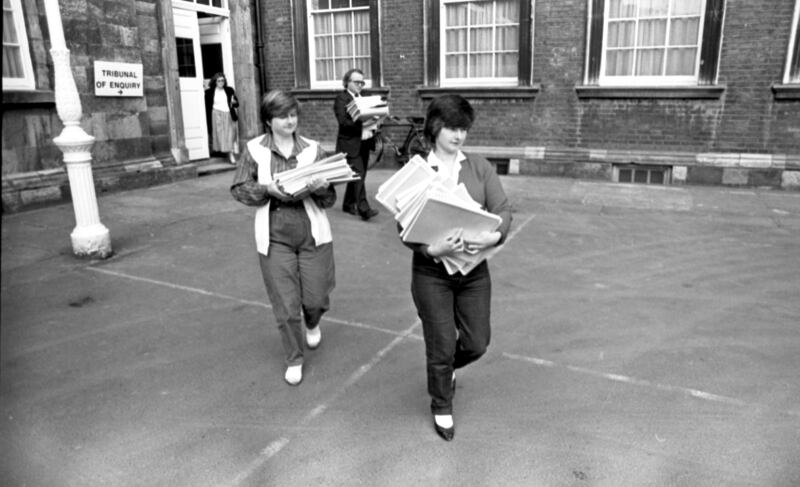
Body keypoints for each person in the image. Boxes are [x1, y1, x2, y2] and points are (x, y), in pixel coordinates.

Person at [400, 95, 512, 441]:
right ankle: (441, 405)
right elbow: (404, 227)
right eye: (452, 127)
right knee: (441, 343)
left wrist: (491, 238)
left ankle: (445, 369)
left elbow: (504, 211)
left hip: (473, 269)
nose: (459, 134)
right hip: (432, 272)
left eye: (464, 127)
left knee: (478, 343)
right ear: (435, 127)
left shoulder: (479, 166)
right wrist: (431, 248)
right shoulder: (417, 171)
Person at [230, 90, 336, 386]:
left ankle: (313, 322)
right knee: (286, 305)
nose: (291, 120)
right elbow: (239, 188)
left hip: (311, 230)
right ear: (269, 120)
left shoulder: (313, 149)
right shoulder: (254, 150)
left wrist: (319, 188)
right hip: (274, 233)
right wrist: (266, 190)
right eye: (283, 116)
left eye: (293, 114)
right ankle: (294, 358)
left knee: (316, 298)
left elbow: (329, 200)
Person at [333, 68, 379, 221]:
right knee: (358, 173)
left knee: (360, 174)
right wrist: (363, 123)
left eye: (362, 82)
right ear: (347, 82)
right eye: (356, 82)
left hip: (365, 141)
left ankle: (348, 204)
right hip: (350, 143)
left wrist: (377, 119)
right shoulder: (341, 99)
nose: (360, 85)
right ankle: (364, 208)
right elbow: (343, 122)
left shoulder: (365, 97)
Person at [205, 72, 240, 164]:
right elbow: (207, 107)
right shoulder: (209, 92)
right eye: (219, 80)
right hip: (216, 115)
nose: (221, 82)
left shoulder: (229, 90)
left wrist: (234, 102)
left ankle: (231, 155)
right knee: (220, 135)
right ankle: (224, 152)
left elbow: (237, 104)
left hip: (228, 114)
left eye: (222, 80)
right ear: (215, 82)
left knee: (230, 135)